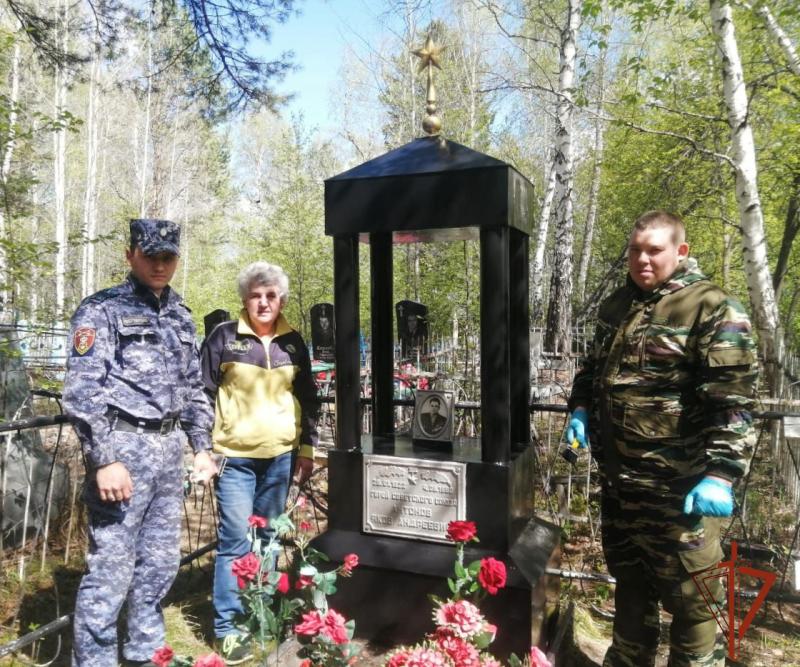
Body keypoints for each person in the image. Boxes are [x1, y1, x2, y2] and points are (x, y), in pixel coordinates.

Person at [566, 210, 757, 667]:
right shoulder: (616, 305)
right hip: (621, 484)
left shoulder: (711, 308)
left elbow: (732, 403)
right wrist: (579, 408)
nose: (642, 260)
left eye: (654, 250)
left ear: (680, 251)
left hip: (681, 490)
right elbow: (592, 370)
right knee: (631, 588)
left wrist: (721, 476)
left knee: (693, 601)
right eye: (635, 250)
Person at [63, 219, 216, 667]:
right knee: (110, 570)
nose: (159, 264)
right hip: (123, 452)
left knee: (159, 566)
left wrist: (201, 446)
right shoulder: (102, 310)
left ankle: (146, 653)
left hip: (169, 454)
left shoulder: (180, 314)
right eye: (150, 255)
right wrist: (103, 459)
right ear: (131, 254)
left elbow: (193, 389)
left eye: (168, 257)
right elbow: (82, 392)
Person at [201, 261, 319, 664]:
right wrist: (202, 450)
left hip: (281, 459)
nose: (264, 302)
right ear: (244, 299)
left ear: (281, 299)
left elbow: (309, 399)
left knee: (267, 541)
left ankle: (260, 615)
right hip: (234, 460)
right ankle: (228, 629)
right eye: (256, 295)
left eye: (271, 295)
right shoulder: (224, 338)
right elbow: (200, 395)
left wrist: (307, 450)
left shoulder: (293, 342)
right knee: (235, 542)